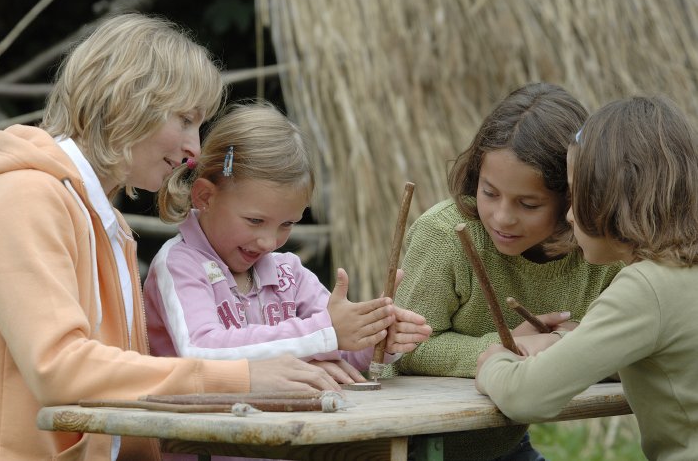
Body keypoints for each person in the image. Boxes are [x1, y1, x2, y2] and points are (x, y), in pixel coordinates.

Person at [0, 13, 343, 461]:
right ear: (129, 101)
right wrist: (242, 378)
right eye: (186, 119)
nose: (195, 149)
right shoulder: (25, 196)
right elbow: (58, 369)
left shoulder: (100, 218)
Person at [388, 83, 623, 460]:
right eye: (489, 192)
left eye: (528, 204)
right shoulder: (445, 236)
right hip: (411, 445)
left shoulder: (600, 252)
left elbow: (626, 350)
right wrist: (508, 348)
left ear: (573, 197)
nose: (502, 217)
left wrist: (571, 343)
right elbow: (406, 349)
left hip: (504, 445)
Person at [143, 100, 432, 385]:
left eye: (287, 224)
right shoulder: (180, 264)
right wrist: (323, 333)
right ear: (205, 197)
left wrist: (377, 336)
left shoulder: (288, 274)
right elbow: (201, 350)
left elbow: (340, 345)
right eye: (255, 221)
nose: (270, 242)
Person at [477, 95, 698, 461]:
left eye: (574, 192)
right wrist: (570, 340)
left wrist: (494, 363)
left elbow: (527, 397)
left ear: (607, 197)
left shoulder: (645, 288)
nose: (569, 217)